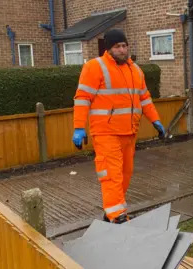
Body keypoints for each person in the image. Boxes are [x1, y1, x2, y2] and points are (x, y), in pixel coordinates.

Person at [71, 28, 166, 224]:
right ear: (109, 49)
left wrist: (156, 120)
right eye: (118, 46)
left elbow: (145, 99)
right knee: (111, 175)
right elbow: (82, 98)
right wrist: (79, 127)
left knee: (124, 175)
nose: (122, 50)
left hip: (129, 132)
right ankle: (117, 216)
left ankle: (112, 211)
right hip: (106, 132)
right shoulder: (94, 67)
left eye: (124, 45)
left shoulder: (136, 71)